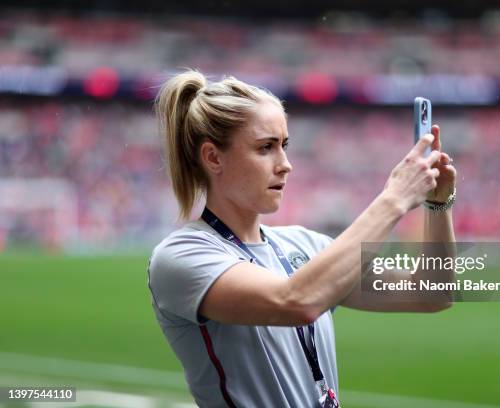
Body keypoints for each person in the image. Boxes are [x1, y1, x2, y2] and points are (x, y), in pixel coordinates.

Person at [147, 69, 457, 408]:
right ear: (213, 157)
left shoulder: (304, 245)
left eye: (284, 145)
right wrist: (393, 199)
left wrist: (438, 205)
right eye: (265, 147)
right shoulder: (182, 256)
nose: (285, 164)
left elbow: (431, 294)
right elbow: (297, 302)